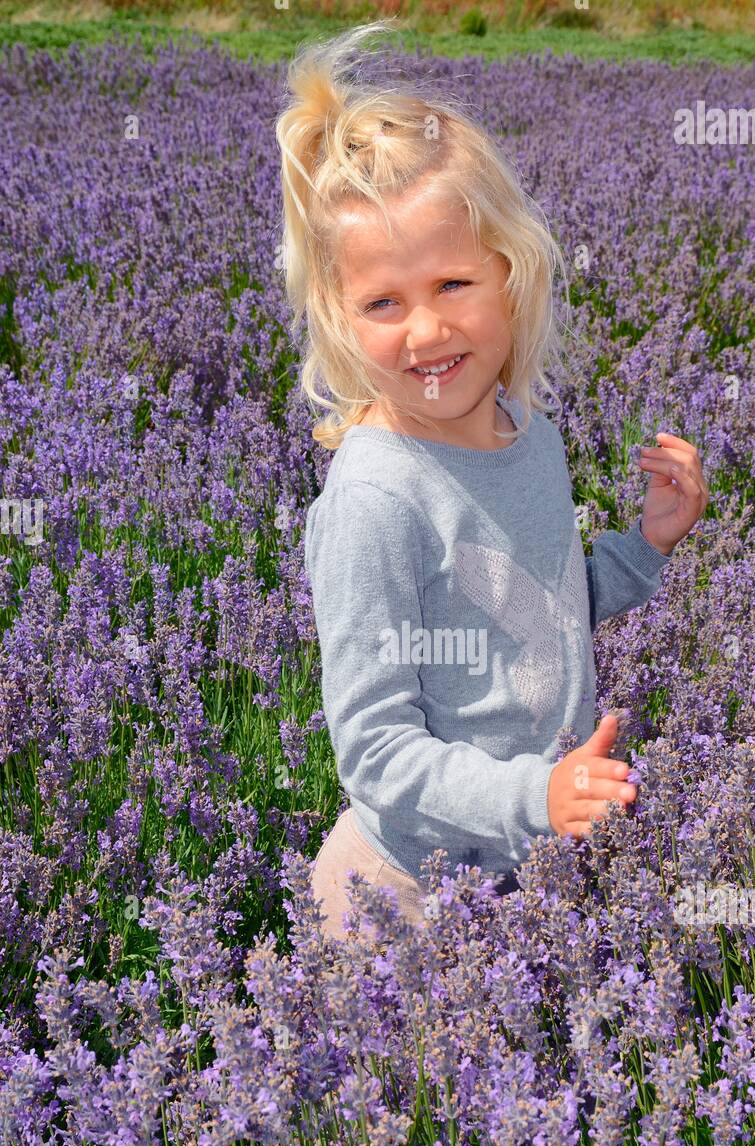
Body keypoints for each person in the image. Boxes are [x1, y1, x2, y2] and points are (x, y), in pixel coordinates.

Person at [274, 20, 708, 940]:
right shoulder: (376, 502)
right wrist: (535, 795)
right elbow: (379, 754)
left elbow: (529, 613)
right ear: (340, 323)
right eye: (383, 303)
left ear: (513, 276)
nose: (426, 332)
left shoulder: (529, 435)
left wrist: (644, 548)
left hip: (530, 857)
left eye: (454, 285)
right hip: (406, 896)